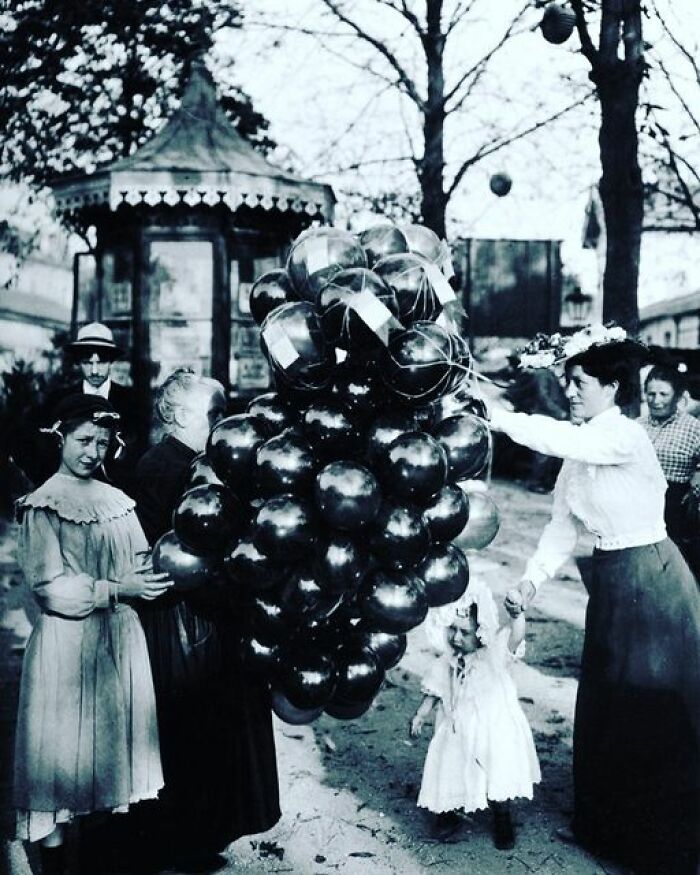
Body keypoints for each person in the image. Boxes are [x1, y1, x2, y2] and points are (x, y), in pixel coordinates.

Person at [489, 324, 700, 874]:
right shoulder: (581, 452)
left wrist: (494, 414)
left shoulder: (621, 435)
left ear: (610, 387)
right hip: (610, 586)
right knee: (606, 711)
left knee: (650, 712)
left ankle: (657, 844)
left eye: (579, 381)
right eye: (568, 380)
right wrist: (532, 582)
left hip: (652, 584)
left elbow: (558, 437)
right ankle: (604, 829)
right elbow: (563, 526)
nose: (571, 389)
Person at [12, 395, 172, 875]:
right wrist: (115, 589)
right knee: (61, 767)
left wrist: (155, 572)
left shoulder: (118, 500)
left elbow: (141, 562)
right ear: (60, 437)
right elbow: (49, 588)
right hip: (69, 645)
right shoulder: (44, 504)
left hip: (119, 641)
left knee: (109, 770)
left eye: (102, 443)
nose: (91, 451)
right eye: (83, 440)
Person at [129, 369, 280, 873]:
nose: (222, 423)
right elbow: (169, 550)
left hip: (210, 614)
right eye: (214, 413)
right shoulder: (160, 466)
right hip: (180, 620)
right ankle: (183, 840)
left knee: (215, 728)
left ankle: (205, 831)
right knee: (191, 729)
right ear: (179, 415)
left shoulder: (199, 461)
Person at [409, 578, 541, 849]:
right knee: (450, 764)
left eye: (465, 633)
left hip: (492, 726)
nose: (457, 638)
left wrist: (517, 617)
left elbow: (514, 637)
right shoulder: (448, 658)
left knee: (495, 769)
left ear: (481, 631)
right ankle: (448, 810)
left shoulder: (493, 653)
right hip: (457, 725)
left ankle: (501, 816)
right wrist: (422, 713)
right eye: (453, 631)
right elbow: (435, 687)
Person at [639, 362, 700, 578]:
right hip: (637, 504)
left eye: (664, 394)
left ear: (678, 397)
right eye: (651, 394)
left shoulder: (693, 428)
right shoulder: (636, 427)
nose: (656, 400)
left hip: (675, 510)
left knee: (673, 574)